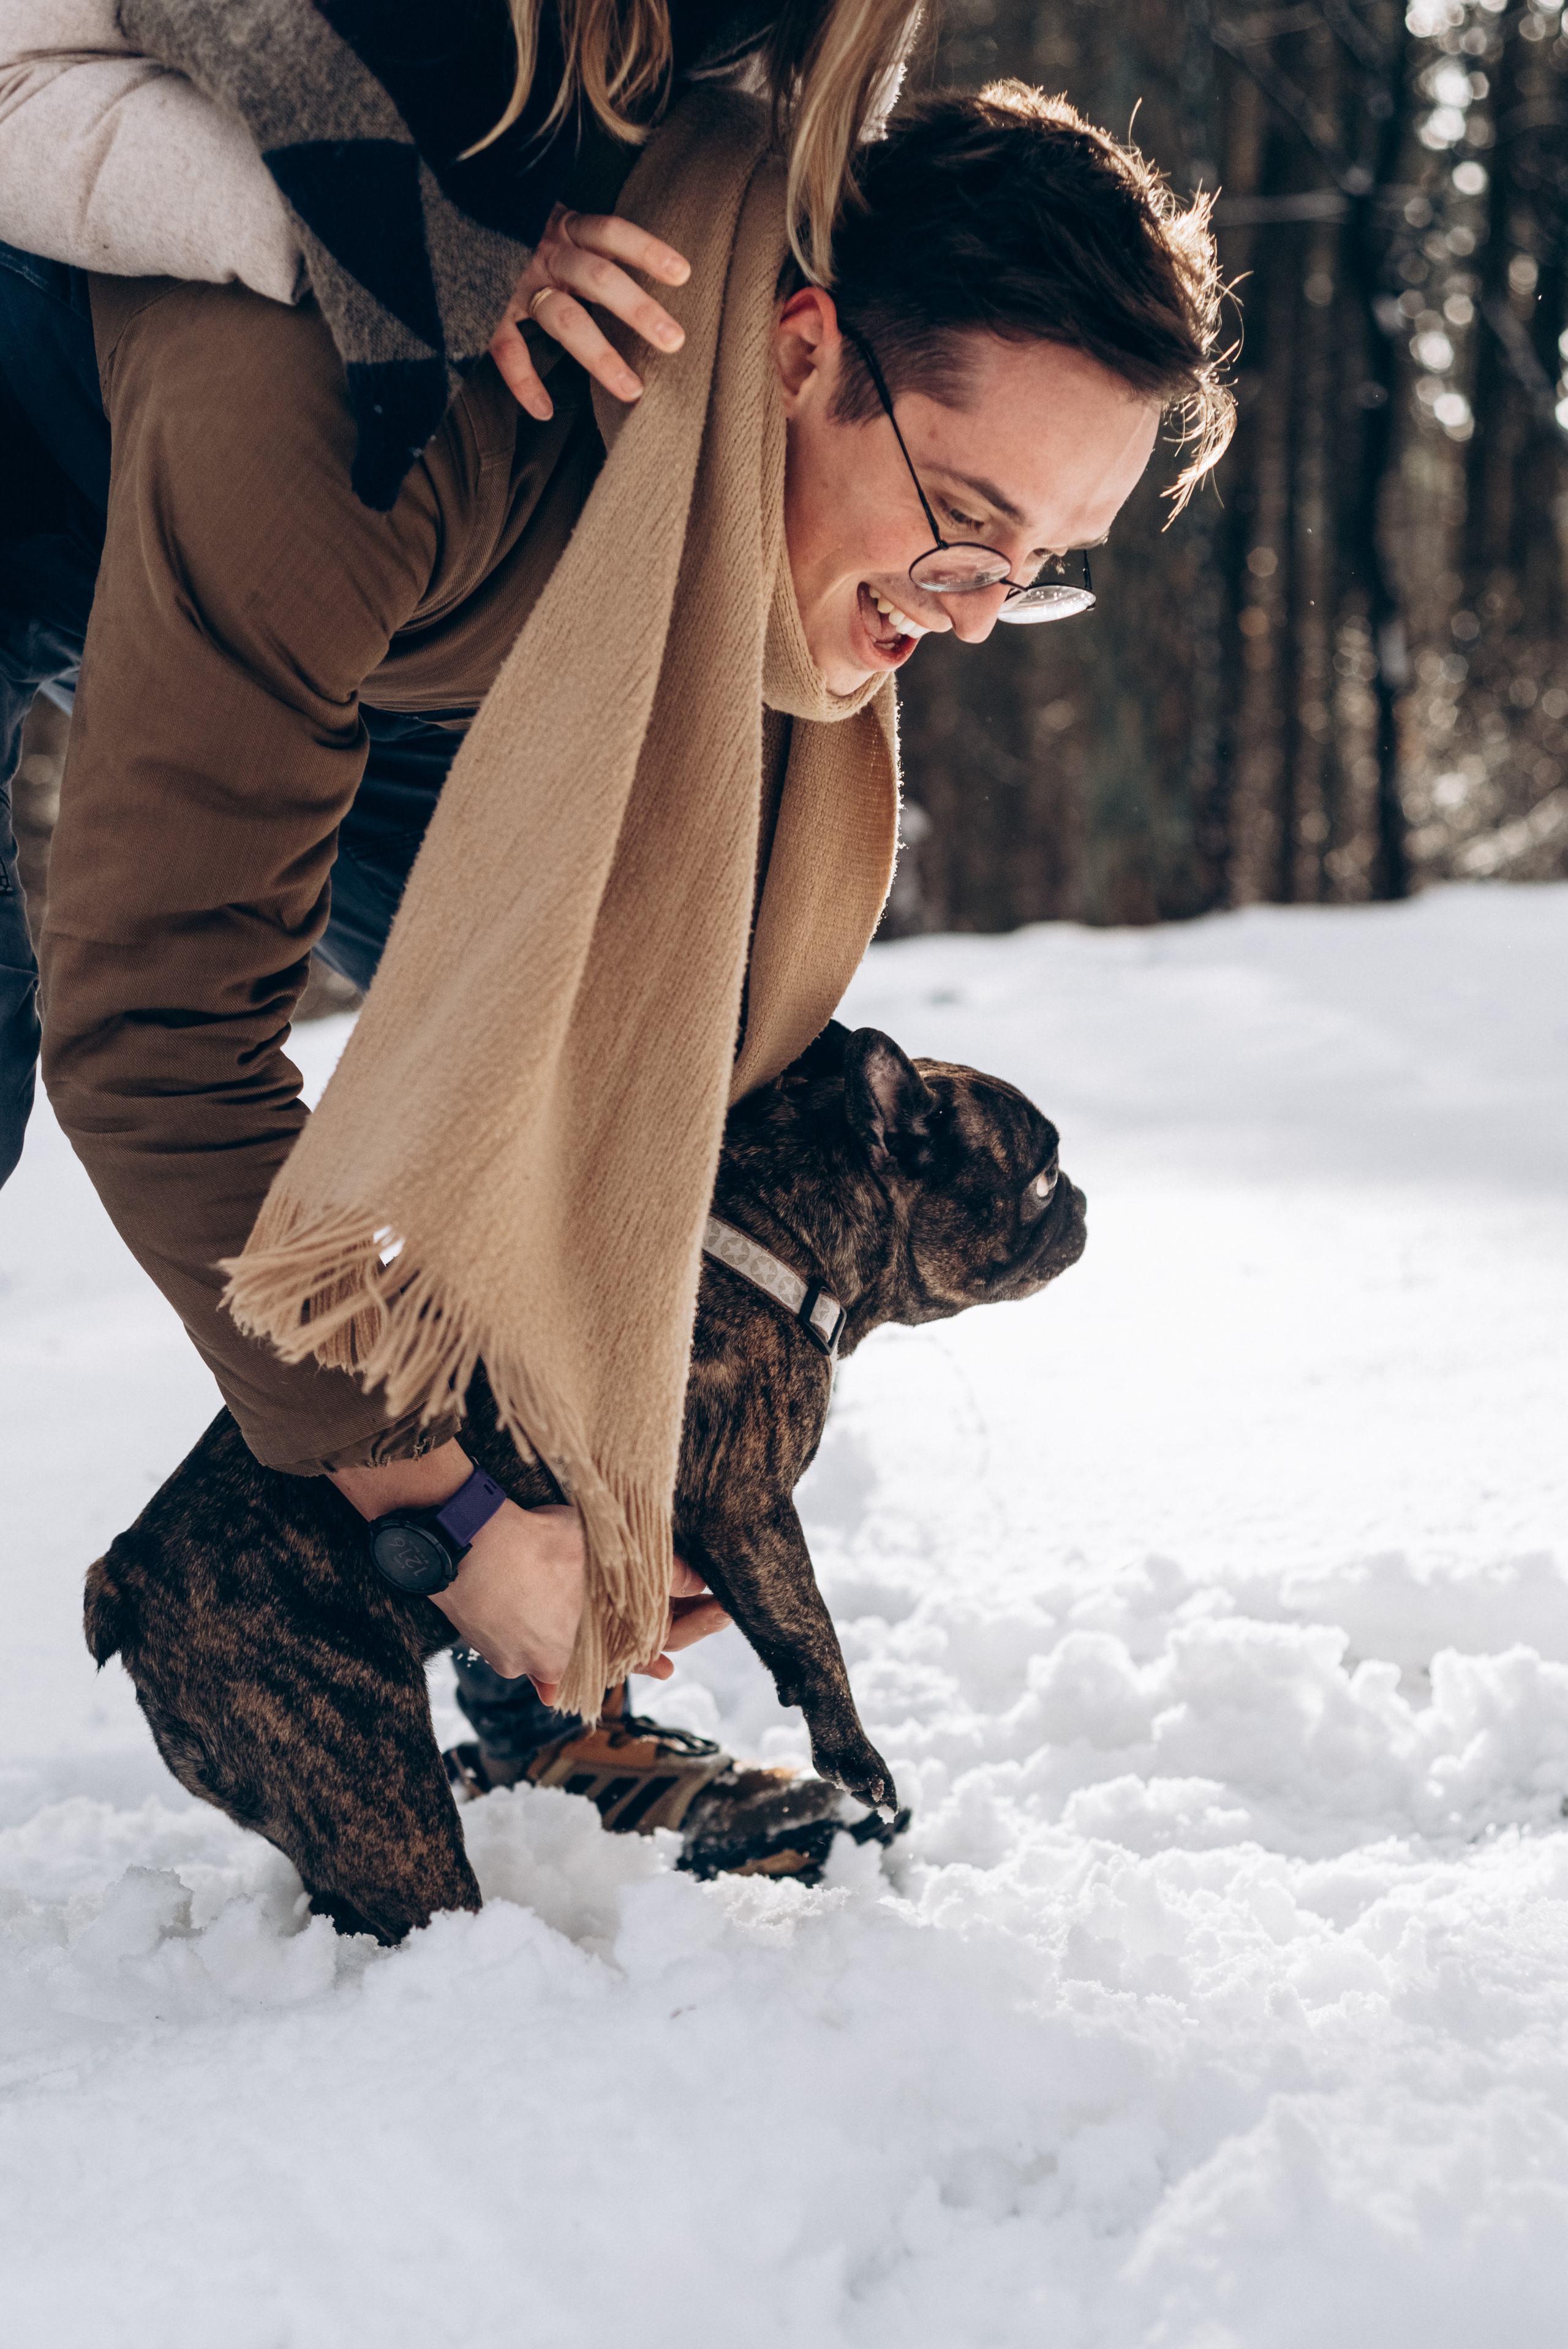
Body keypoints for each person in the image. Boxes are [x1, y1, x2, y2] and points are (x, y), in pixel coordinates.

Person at [0, 35, 1231, 1865]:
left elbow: (640, 1075)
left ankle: (550, 1716)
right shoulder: (370, 398)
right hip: (171, 458)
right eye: (968, 528)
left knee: (660, 1009)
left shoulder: (726, 438)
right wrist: (439, 1512)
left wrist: (615, 1443)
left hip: (403, 598)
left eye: (1037, 565)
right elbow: (157, 1032)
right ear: (802, 349)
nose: (974, 620)